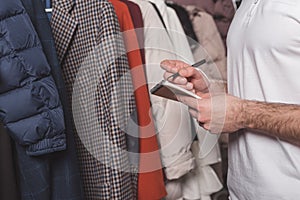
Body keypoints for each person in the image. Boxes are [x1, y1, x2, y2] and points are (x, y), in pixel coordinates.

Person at [160, 0, 300, 199]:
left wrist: (242, 113)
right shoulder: (246, 5)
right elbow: (264, 86)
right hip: (241, 189)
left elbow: (246, 108)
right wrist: (212, 87)